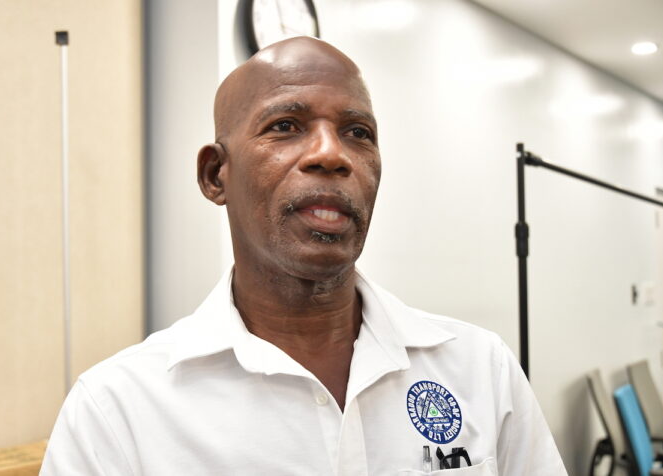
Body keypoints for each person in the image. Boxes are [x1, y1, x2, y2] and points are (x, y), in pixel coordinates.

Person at [40, 37, 566, 475]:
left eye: (357, 133)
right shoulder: (119, 410)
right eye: (286, 126)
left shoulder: (479, 369)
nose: (331, 154)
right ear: (215, 174)